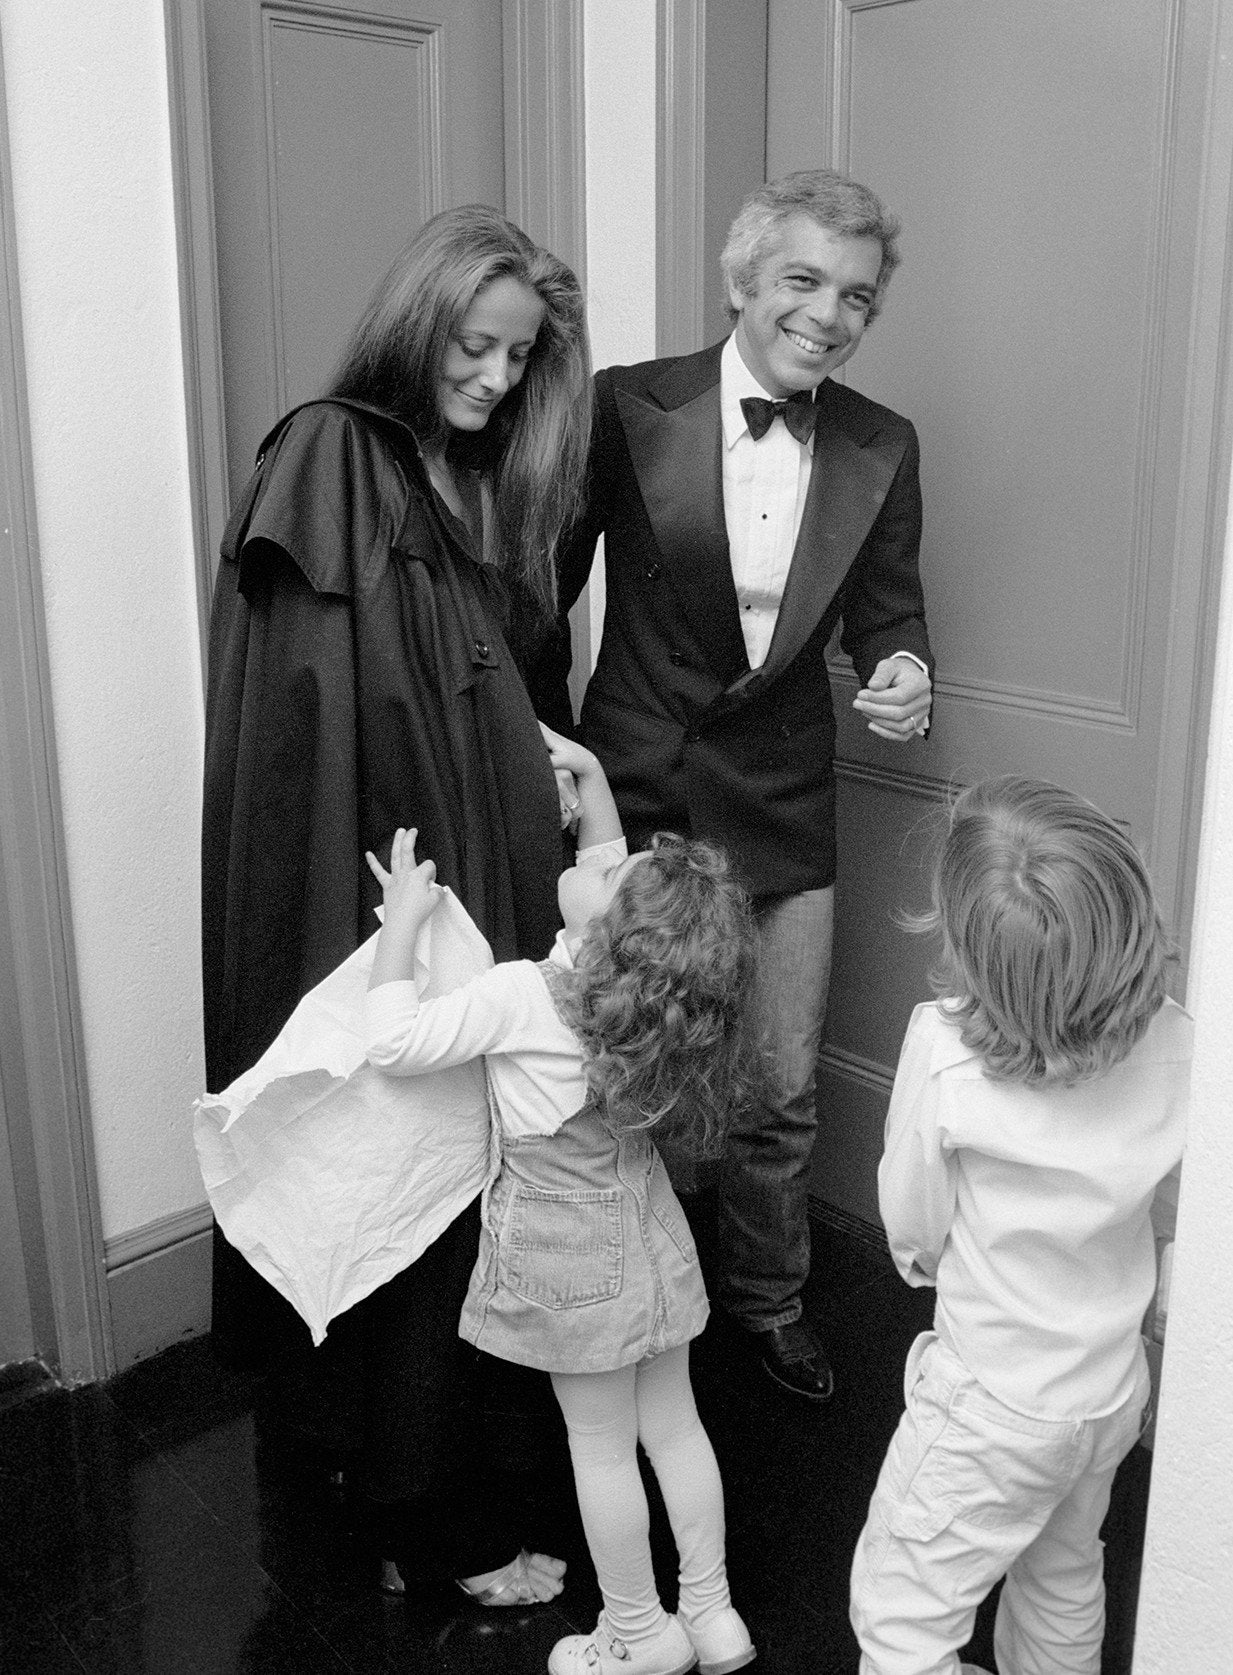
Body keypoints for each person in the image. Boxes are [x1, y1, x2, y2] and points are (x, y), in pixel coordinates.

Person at [201, 205, 592, 1605]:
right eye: (472, 346)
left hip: (463, 899)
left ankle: (404, 1479)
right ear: (415, 323)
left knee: (452, 1191)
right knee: (393, 1173)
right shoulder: (335, 451)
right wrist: (390, 918)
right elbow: (321, 716)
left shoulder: (468, 484)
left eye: (519, 357)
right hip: (381, 900)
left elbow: (469, 684)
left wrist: (535, 756)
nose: (494, 378)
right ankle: (419, 1512)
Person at [556, 168, 933, 1401]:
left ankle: (768, 1299)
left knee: (779, 1088)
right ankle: (639, 1304)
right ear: (742, 281)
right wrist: (535, 742)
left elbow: (888, 613)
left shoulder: (881, 443)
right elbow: (542, 582)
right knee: (634, 1076)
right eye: (803, 281)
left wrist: (904, 670)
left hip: (784, 801)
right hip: (642, 795)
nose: (829, 315)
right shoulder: (626, 406)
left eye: (857, 297)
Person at [362, 726, 762, 1675]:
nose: (600, 858)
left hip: (573, 1265)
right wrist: (587, 770)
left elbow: (393, 1041)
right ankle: (712, 1614)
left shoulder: (522, 995)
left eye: (611, 874)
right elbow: (609, 871)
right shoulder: (647, 1006)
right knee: (675, 1429)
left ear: (609, 934)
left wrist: (401, 925)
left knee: (601, 1449)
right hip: (651, 1237)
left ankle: (637, 1633)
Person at [849, 777, 1191, 1675]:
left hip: (990, 1401)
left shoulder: (945, 1052)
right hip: (1108, 1387)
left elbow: (912, 1217)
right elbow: (1171, 1199)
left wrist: (923, 1262)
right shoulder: (1179, 1040)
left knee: (901, 1610)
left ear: (970, 954)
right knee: (1065, 1571)